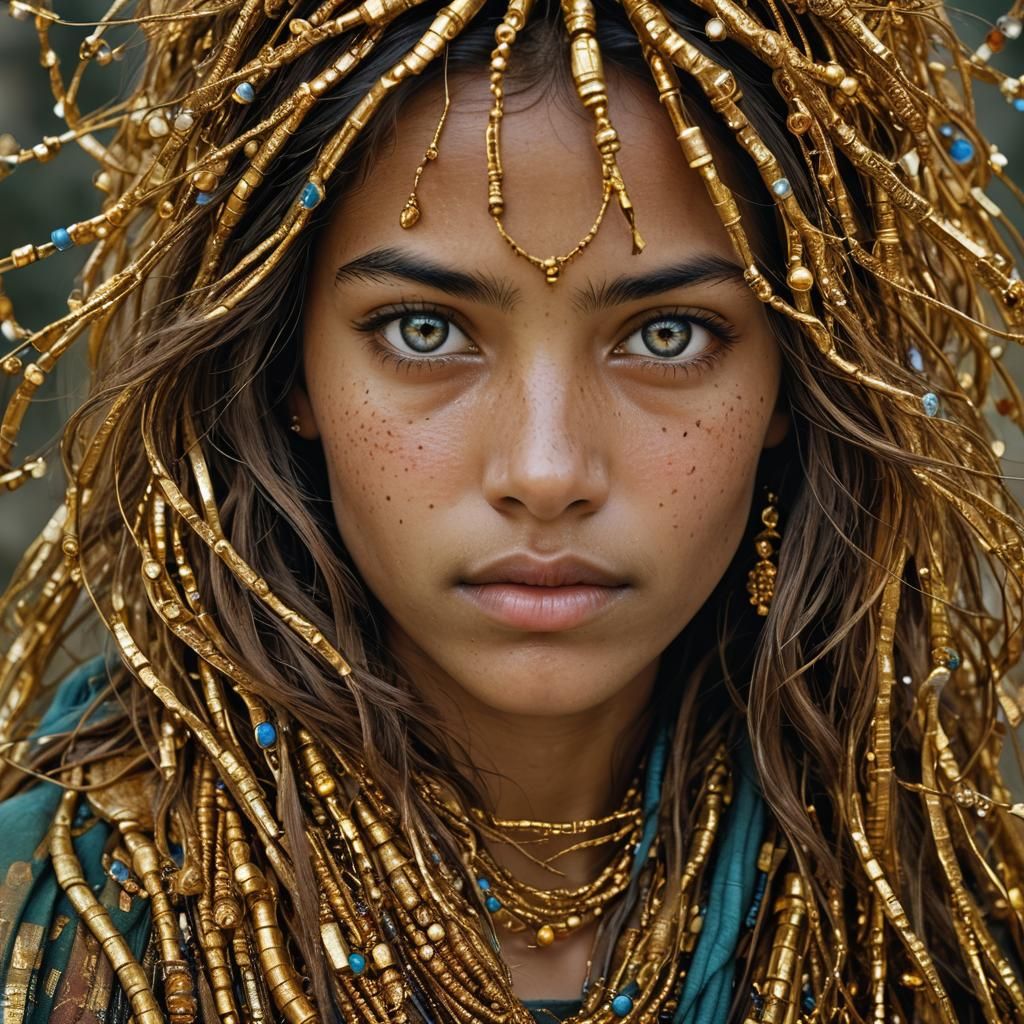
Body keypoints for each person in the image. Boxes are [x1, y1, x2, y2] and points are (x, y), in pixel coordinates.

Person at [1, 0, 1024, 1020]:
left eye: (666, 335)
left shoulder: (951, 938)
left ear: (792, 383)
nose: (545, 470)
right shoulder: (50, 927)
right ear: (287, 372)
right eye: (423, 329)